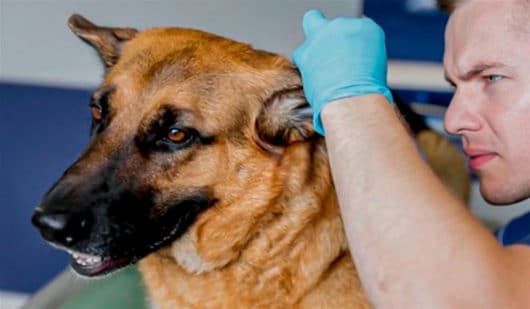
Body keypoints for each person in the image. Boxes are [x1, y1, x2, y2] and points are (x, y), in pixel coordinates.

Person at [292, 0, 530, 307]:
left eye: (491, 78)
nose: (453, 121)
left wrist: (352, 98)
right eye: (455, 87)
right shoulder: (514, 236)